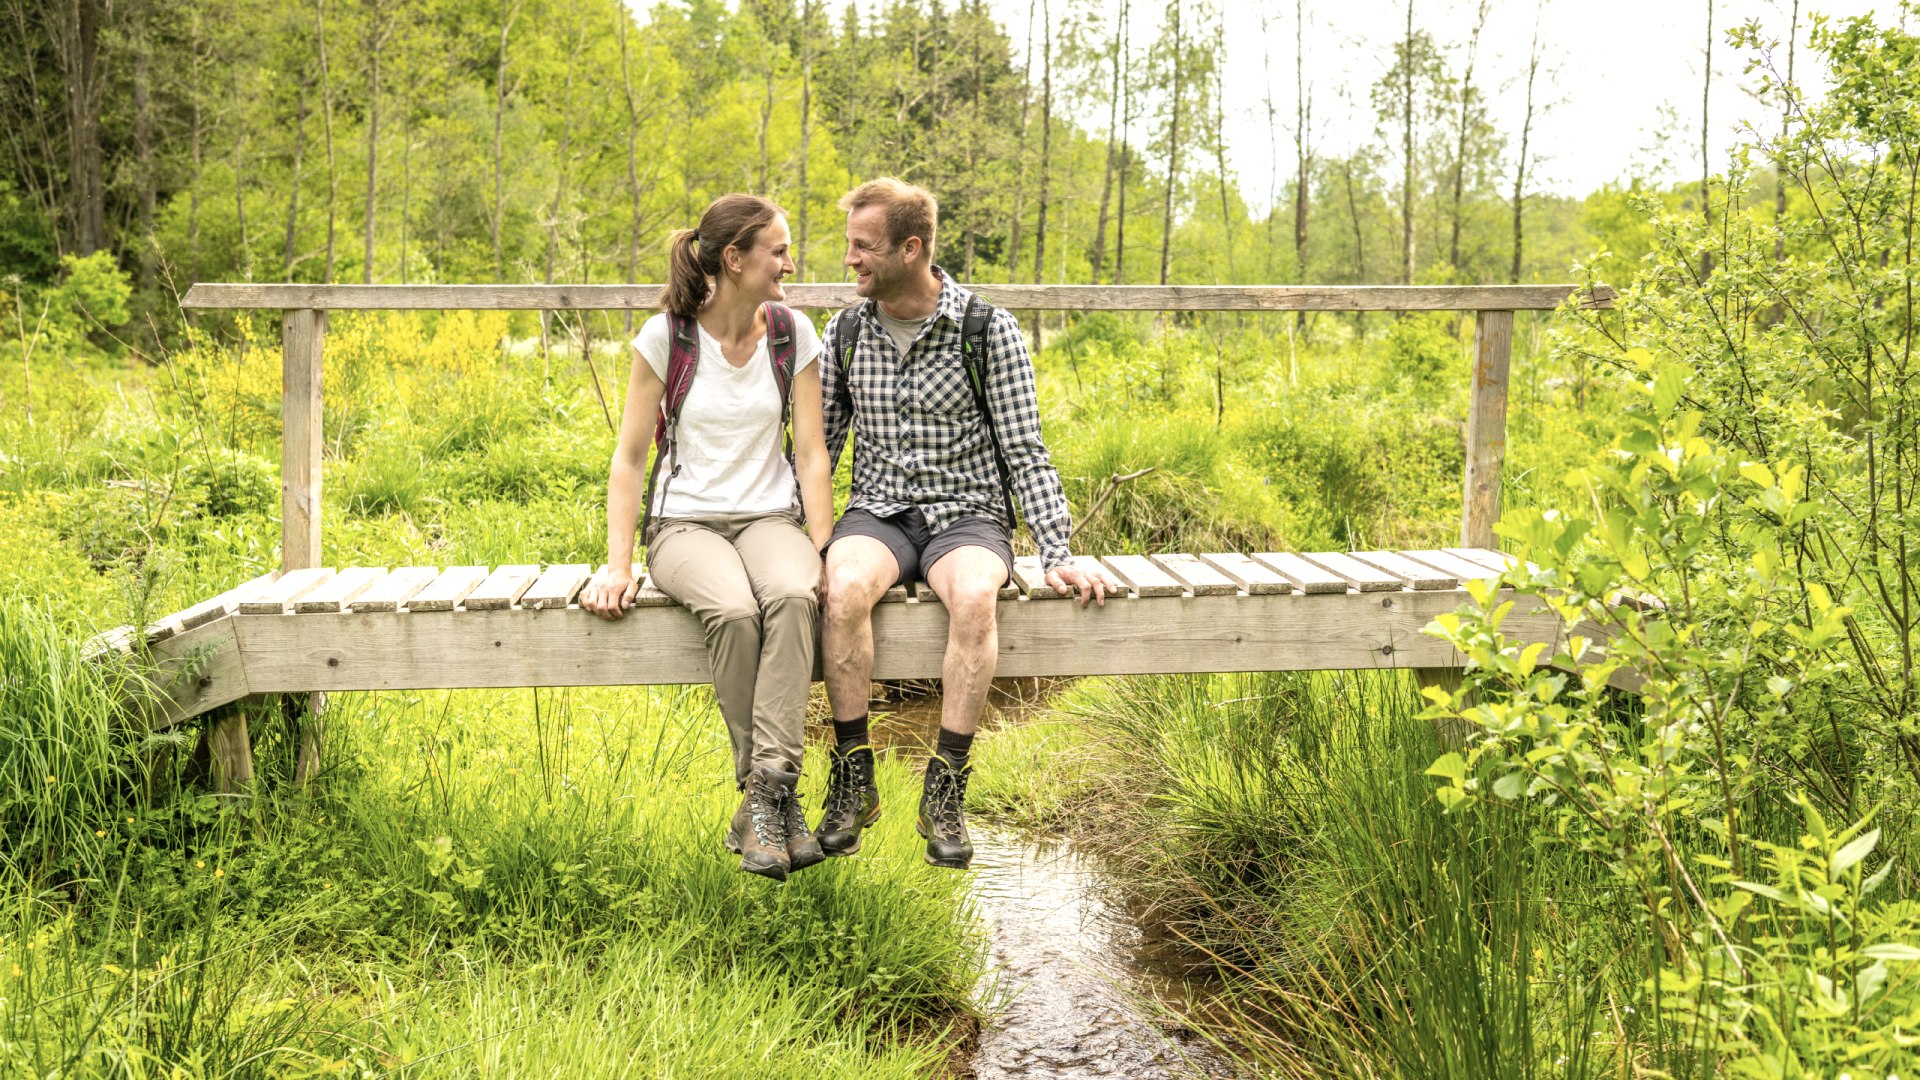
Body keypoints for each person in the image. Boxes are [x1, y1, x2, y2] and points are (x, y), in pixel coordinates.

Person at [815, 178, 1118, 870]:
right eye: (850, 246)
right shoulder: (846, 331)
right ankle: (853, 776)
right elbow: (822, 450)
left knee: (978, 597)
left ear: (911, 248)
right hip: (879, 511)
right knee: (844, 587)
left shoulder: (987, 329)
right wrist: (795, 541)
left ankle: (945, 786)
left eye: (863, 247)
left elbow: (1024, 448)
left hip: (968, 517)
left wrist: (1057, 550)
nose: (850, 260)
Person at [580, 194, 833, 883]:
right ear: (735, 260)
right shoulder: (667, 338)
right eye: (778, 250)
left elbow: (810, 454)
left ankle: (767, 794)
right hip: (684, 523)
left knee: (790, 593)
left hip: (770, 519)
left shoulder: (792, 334)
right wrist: (617, 564)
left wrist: (824, 548)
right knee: (732, 611)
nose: (789, 262)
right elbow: (630, 459)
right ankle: (771, 801)